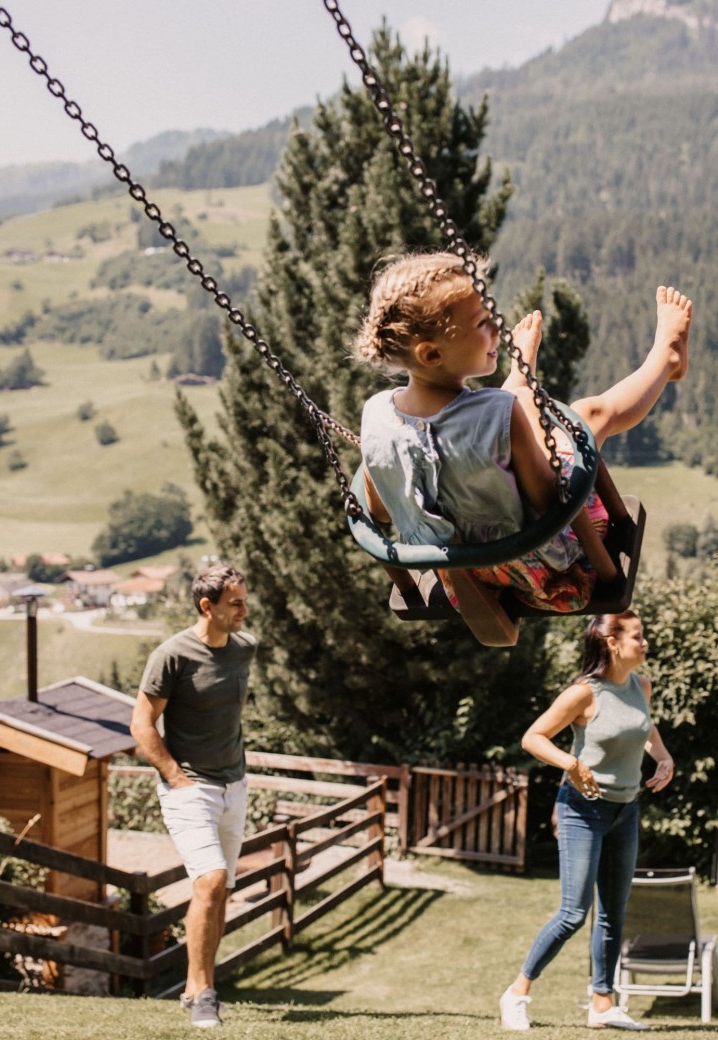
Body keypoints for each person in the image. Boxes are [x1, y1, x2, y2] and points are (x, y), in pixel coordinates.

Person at [355, 251, 692, 613]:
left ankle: (519, 377)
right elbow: (550, 502)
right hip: (543, 569)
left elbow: (382, 512)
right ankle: (667, 359)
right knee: (587, 414)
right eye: (484, 322)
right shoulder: (503, 415)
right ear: (432, 354)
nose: (498, 328)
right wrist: (527, 421)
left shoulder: (376, 417)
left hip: (463, 577)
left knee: (499, 418)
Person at [499, 610, 674, 1031]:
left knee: (614, 913)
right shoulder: (583, 693)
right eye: (638, 636)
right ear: (612, 643)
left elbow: (644, 729)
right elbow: (533, 737)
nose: (644, 642)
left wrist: (664, 757)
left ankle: (602, 1003)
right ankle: (517, 993)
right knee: (574, 913)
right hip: (581, 810)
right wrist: (571, 762)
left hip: (625, 810)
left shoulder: (641, 686)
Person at [130, 562, 256, 1029]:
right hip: (190, 789)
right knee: (209, 880)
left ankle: (190, 986)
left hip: (235, 786)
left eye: (244, 599)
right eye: (236, 603)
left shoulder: (245, 648)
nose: (245, 609)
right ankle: (205, 994)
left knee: (221, 891)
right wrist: (173, 774)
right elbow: (141, 724)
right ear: (208, 607)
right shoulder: (173, 655)